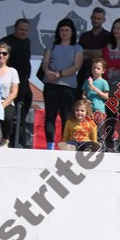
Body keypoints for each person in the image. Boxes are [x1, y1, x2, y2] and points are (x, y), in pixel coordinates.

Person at [40, 17, 84, 150]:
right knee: (50, 116)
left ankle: (66, 144)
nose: (64, 33)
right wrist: (47, 72)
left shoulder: (77, 48)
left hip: (68, 87)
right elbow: (45, 61)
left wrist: (60, 73)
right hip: (51, 85)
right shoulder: (52, 45)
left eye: (67, 30)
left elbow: (77, 66)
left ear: (72, 32)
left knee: (66, 116)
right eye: (62, 30)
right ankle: (50, 144)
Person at [0, 18, 32, 147]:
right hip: (11, 82)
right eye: (21, 29)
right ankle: (9, 138)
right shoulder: (6, 41)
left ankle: (19, 138)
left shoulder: (27, 42)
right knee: (13, 112)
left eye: (26, 30)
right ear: (15, 29)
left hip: (24, 81)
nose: (23, 32)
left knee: (27, 101)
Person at [102, 18, 120, 151]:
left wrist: (115, 64)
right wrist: (117, 63)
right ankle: (109, 143)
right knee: (110, 115)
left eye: (119, 28)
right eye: (114, 28)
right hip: (109, 85)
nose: (116, 30)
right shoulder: (108, 45)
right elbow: (106, 61)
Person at [77, 7, 111, 92]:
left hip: (100, 76)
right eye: (94, 18)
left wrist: (85, 51)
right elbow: (79, 55)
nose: (96, 20)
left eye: (99, 18)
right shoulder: (84, 36)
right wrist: (96, 54)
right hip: (83, 73)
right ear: (91, 18)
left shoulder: (108, 36)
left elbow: (102, 53)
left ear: (104, 20)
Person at [82, 57, 109, 146]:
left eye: (98, 68)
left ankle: (101, 147)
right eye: (94, 68)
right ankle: (89, 146)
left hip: (99, 110)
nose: (95, 70)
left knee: (100, 131)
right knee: (88, 129)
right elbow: (83, 94)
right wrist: (86, 99)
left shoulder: (103, 82)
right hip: (89, 110)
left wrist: (94, 88)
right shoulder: (88, 81)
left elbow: (106, 96)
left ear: (103, 71)